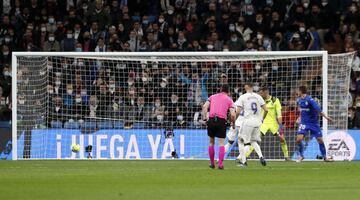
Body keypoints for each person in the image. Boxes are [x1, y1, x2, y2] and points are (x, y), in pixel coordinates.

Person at [245, 87, 290, 160]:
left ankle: (286, 156)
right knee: (255, 139)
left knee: (282, 139)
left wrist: (280, 126)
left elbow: (279, 115)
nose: (260, 94)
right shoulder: (259, 101)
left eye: (261, 93)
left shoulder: (275, 100)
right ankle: (245, 156)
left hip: (273, 124)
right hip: (263, 123)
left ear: (266, 92)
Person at [296, 86, 333, 162]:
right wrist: (299, 118)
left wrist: (326, 117)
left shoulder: (310, 100)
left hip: (313, 123)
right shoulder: (299, 100)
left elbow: (318, 109)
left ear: (301, 91)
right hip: (304, 123)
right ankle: (301, 156)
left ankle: (325, 157)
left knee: (320, 140)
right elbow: (303, 111)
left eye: (298, 91)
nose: (297, 92)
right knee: (298, 139)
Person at [202, 84, 236, 170]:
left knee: (211, 142)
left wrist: (205, 118)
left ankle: (212, 163)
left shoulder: (212, 96)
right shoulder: (229, 100)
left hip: (212, 119)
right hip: (221, 121)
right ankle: (220, 164)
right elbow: (232, 114)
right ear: (228, 91)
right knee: (221, 143)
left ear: (221, 89)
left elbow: (205, 106)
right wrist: (233, 123)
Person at [236, 83, 268, 167]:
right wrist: (262, 119)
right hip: (257, 122)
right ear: (252, 87)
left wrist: (234, 119)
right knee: (253, 141)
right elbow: (266, 110)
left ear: (245, 87)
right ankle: (261, 157)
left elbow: (238, 111)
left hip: (248, 122)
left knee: (240, 140)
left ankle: (243, 162)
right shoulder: (258, 96)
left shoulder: (243, 97)